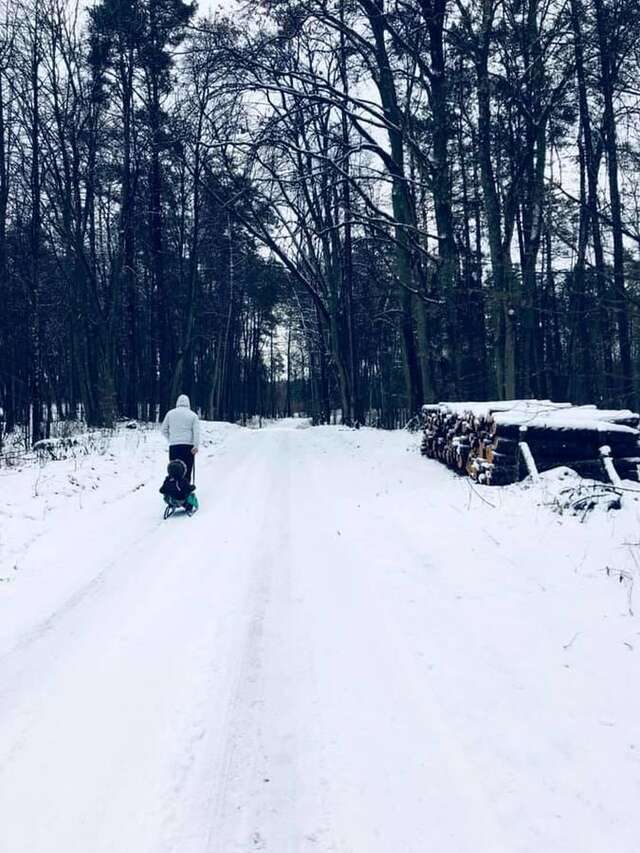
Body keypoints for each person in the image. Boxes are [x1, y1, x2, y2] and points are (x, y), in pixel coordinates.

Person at [160, 394, 200, 483]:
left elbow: (163, 430)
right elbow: (196, 432)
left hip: (174, 447)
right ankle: (186, 491)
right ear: (188, 403)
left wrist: (171, 438)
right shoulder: (193, 415)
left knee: (174, 470)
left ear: (177, 402)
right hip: (188, 447)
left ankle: (173, 491)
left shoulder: (170, 414)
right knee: (187, 470)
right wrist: (195, 446)